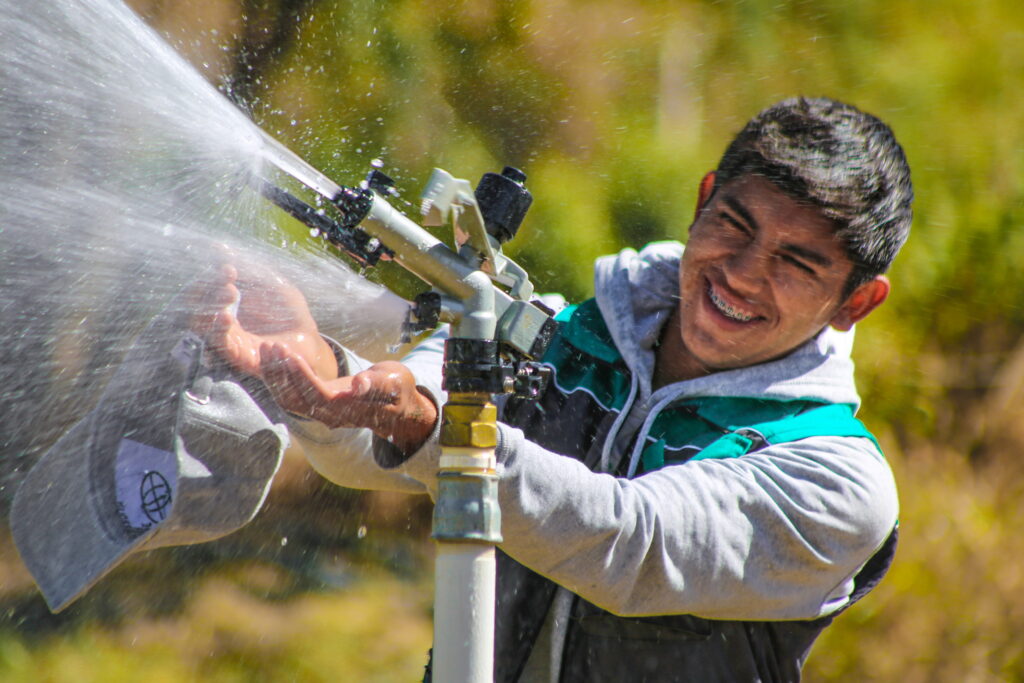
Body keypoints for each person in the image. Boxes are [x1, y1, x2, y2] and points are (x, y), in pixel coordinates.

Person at [193, 96, 912, 682]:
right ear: (702, 202)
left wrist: (431, 429)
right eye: (734, 224)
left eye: (795, 261)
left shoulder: (834, 479)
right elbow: (374, 430)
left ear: (857, 301)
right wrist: (313, 365)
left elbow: (630, 543)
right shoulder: (559, 339)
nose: (744, 273)